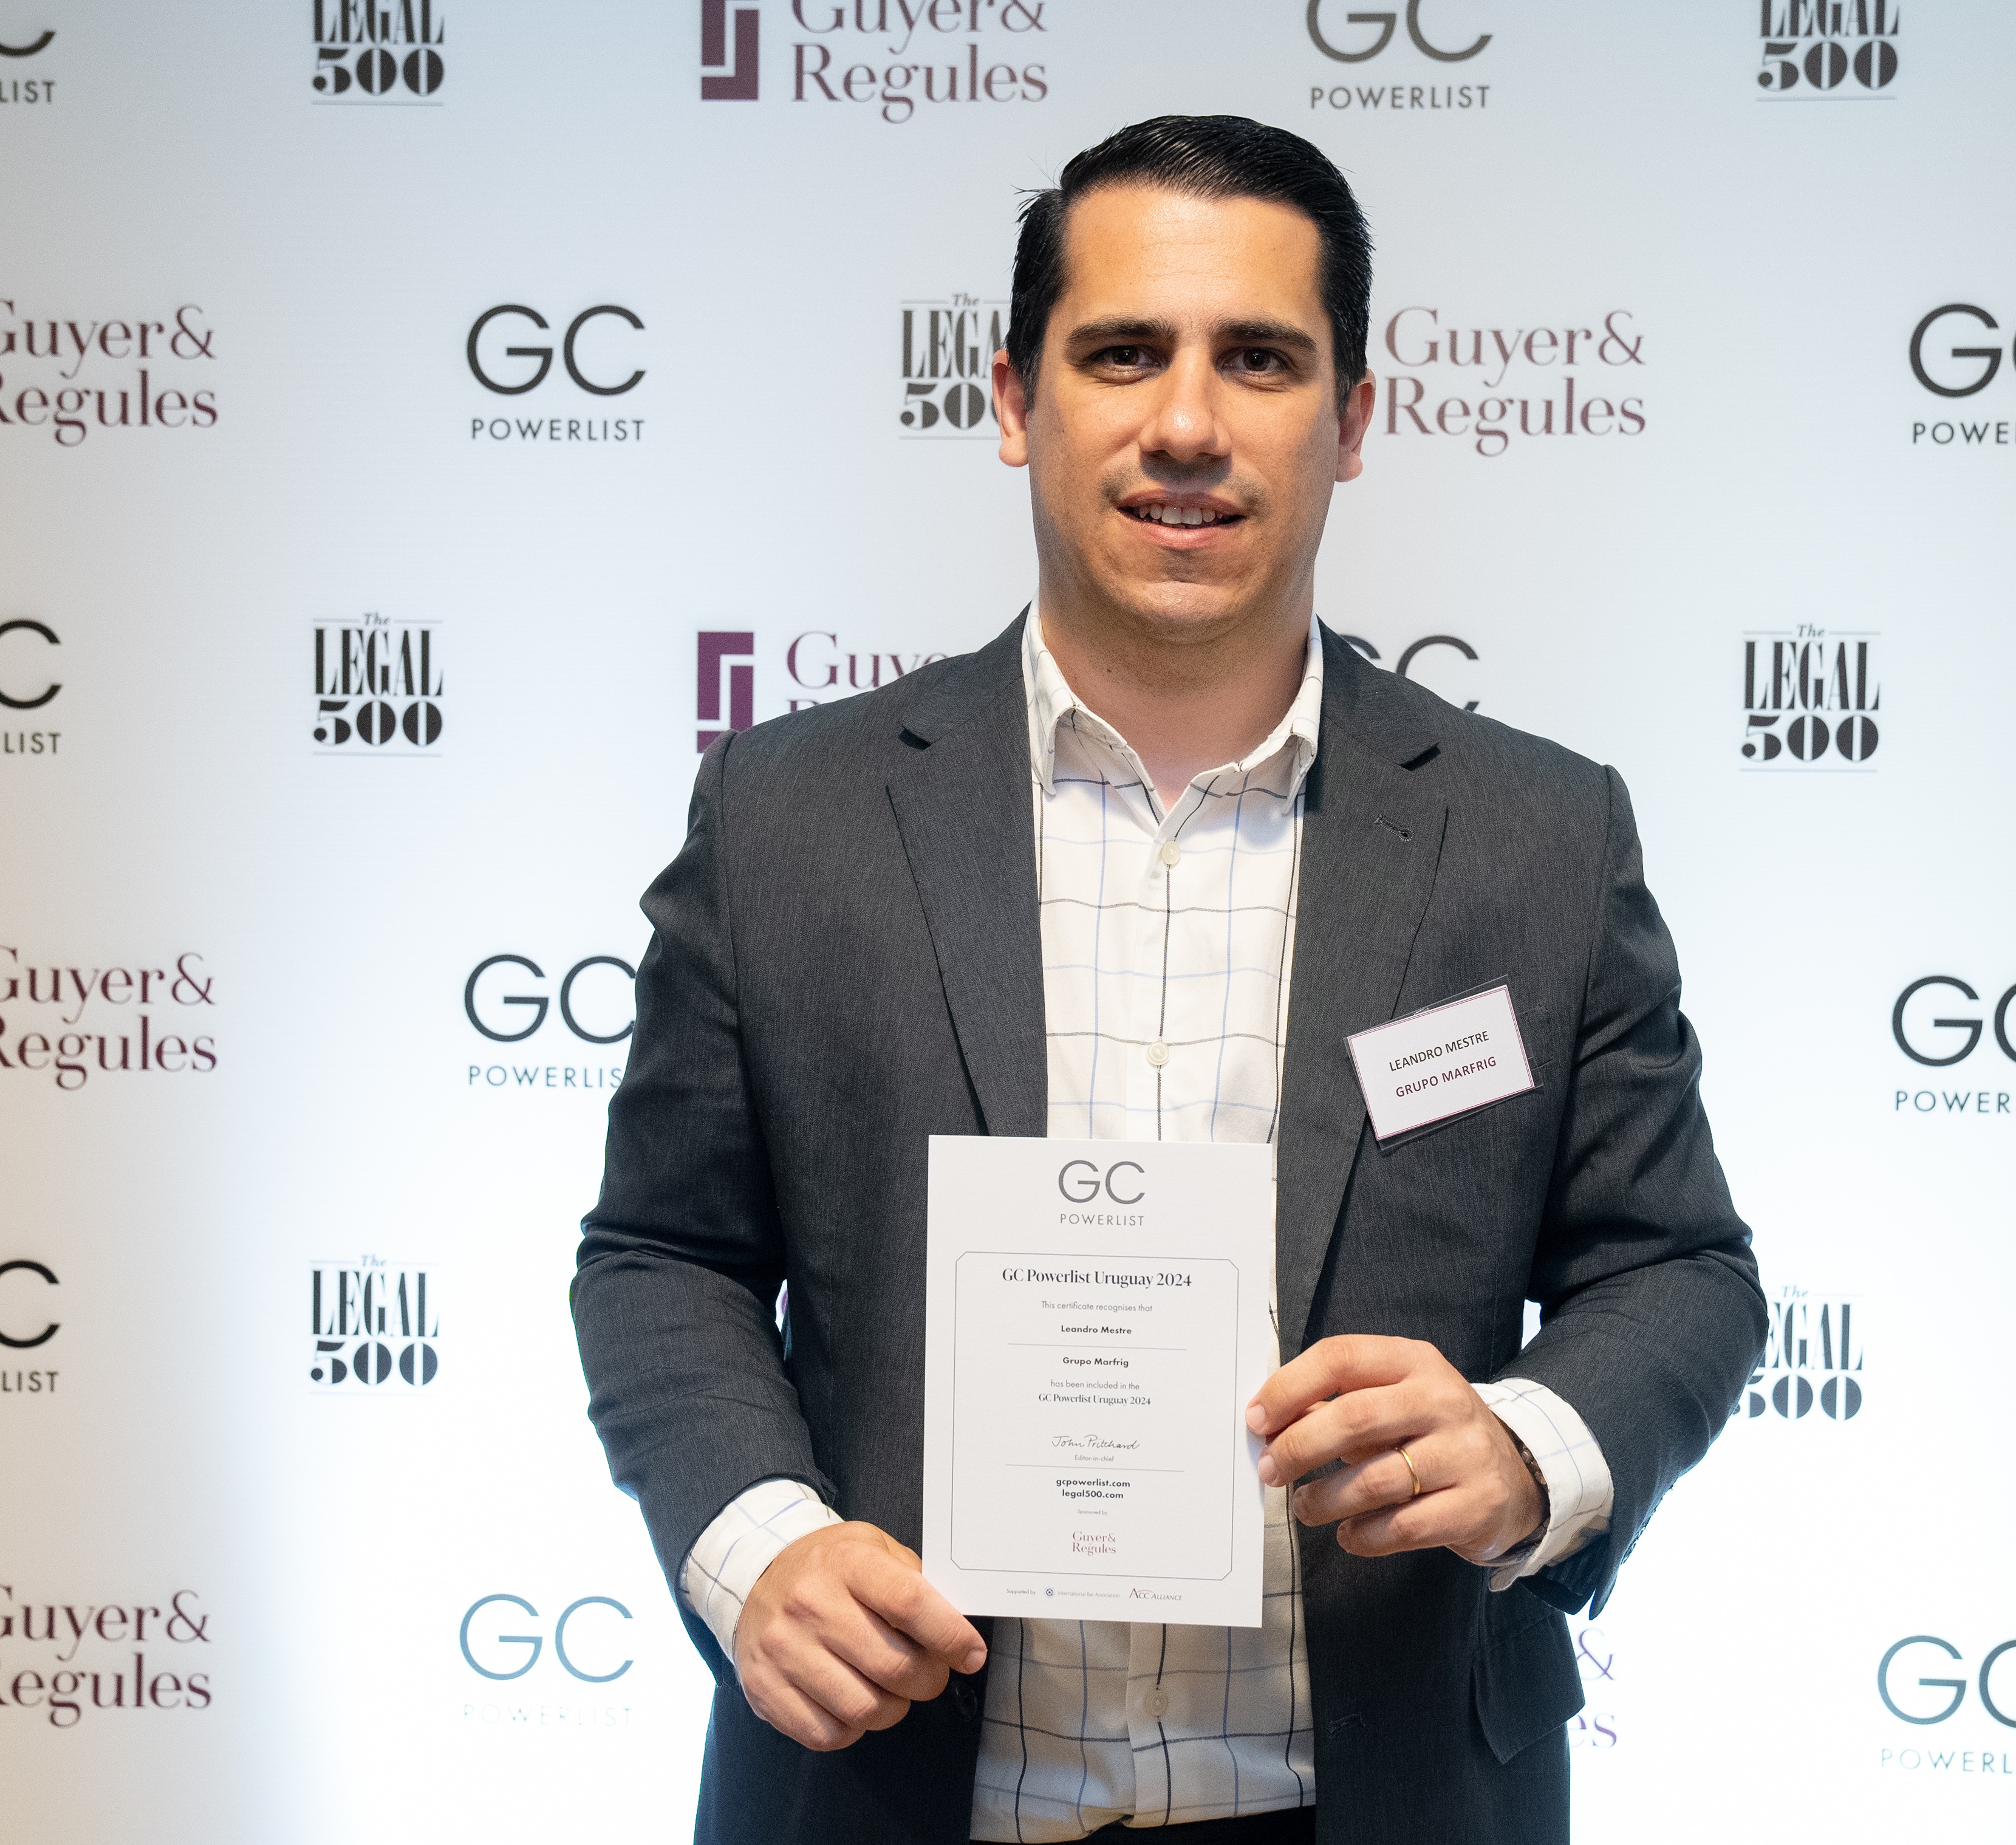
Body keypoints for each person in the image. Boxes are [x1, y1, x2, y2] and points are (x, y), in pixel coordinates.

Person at [573, 114, 1762, 1845]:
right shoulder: (789, 819)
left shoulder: (1535, 840)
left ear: (1352, 420)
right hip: (892, 1801)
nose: (1187, 424)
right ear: (1013, 399)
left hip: (1380, 1804)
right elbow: (661, 1254)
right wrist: (758, 1547)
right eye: (1122, 352)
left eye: (1259, 360)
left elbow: (1677, 1269)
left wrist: (1530, 1449)